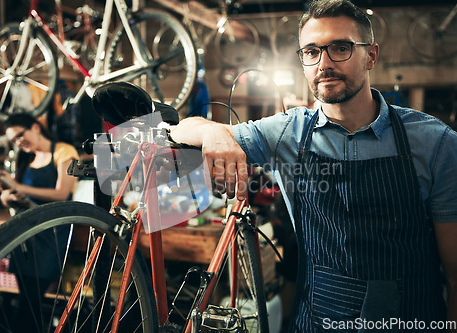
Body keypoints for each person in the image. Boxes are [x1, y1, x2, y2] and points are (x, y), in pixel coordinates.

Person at [170, 0, 457, 331]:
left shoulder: (434, 142)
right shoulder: (286, 134)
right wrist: (216, 133)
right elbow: (180, 131)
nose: (324, 63)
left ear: (371, 56)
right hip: (316, 322)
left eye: (340, 48)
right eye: (311, 51)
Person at [0, 113, 79, 332]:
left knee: (30, 301)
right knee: (25, 298)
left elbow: (62, 194)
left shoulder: (64, 151)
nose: (18, 142)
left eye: (19, 135)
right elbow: (12, 194)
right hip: (25, 235)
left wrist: (20, 187)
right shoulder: (26, 159)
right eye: (13, 140)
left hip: (51, 234)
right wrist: (6, 196)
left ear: (35, 127)